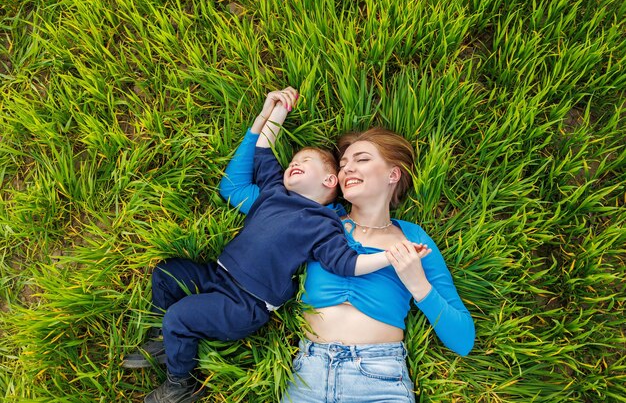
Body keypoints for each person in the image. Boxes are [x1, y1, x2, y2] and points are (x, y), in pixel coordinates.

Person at [122, 88, 417, 403]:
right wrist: (275, 111)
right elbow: (263, 149)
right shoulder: (274, 191)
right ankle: (162, 341)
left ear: (330, 182)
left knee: (179, 317)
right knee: (167, 273)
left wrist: (388, 257)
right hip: (217, 275)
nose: (293, 164)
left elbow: (346, 263)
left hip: (245, 303)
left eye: (303, 161)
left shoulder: (326, 223)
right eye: (292, 161)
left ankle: (182, 386)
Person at [220, 94, 475, 402]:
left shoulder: (412, 239)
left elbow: (463, 340)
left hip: (380, 380)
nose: (347, 170)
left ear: (393, 174)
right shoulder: (310, 220)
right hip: (310, 375)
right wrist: (263, 120)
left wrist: (419, 286)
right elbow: (233, 188)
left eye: (362, 160)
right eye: (343, 165)